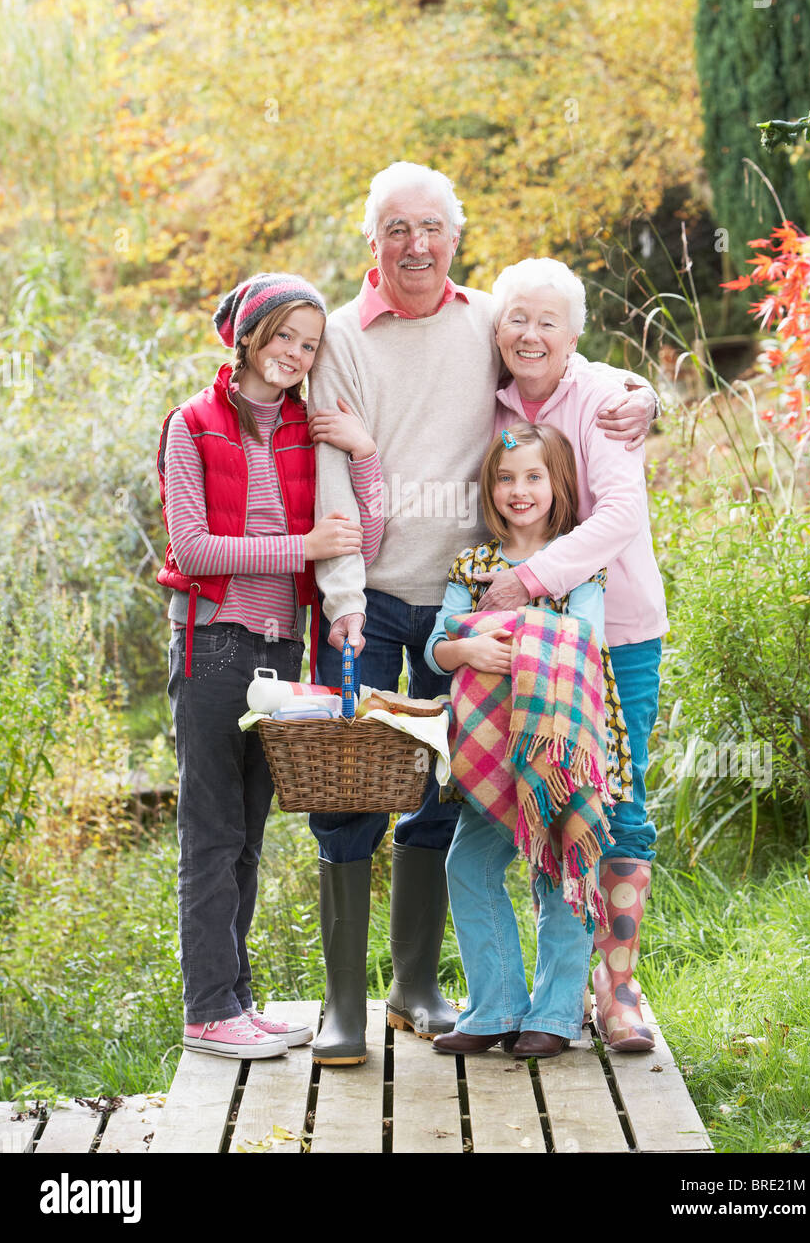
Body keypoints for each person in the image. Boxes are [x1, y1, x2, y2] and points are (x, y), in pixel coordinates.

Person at [306, 161, 659, 1066]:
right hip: (403, 599)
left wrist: (642, 392)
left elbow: (571, 375)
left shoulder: (508, 340)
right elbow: (339, 471)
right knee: (353, 788)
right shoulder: (359, 339)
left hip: (528, 610)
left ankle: (504, 991)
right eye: (396, 229)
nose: (416, 245)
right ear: (372, 241)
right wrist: (350, 598)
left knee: (502, 805)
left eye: (433, 228)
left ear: (456, 240)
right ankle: (364, 1003)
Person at [157, 272, 384, 1059]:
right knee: (211, 832)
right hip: (212, 642)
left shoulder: (309, 433)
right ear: (250, 335)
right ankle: (206, 1009)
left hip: (283, 648)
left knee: (250, 834)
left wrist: (365, 456)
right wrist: (303, 549)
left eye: (309, 344)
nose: (294, 354)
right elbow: (193, 549)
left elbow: (365, 540)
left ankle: (236, 1003)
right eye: (283, 335)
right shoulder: (191, 425)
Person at [474, 258, 669, 1051]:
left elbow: (620, 512)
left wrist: (527, 579)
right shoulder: (488, 405)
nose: (530, 334)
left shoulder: (605, 400)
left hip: (614, 631)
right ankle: (554, 990)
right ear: (497, 329)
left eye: (548, 321)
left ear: (576, 334)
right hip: (525, 644)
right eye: (517, 318)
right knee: (542, 799)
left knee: (619, 802)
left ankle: (616, 986)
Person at [425, 423, 630, 1059]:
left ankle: (557, 1014)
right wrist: (471, 645)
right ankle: (496, 1008)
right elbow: (438, 648)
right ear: (490, 489)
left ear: (557, 484)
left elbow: (587, 643)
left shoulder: (576, 561)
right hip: (488, 744)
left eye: (533, 477)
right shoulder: (474, 564)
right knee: (469, 862)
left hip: (560, 741)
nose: (519, 490)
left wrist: (499, 630)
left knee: (565, 861)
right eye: (506, 478)